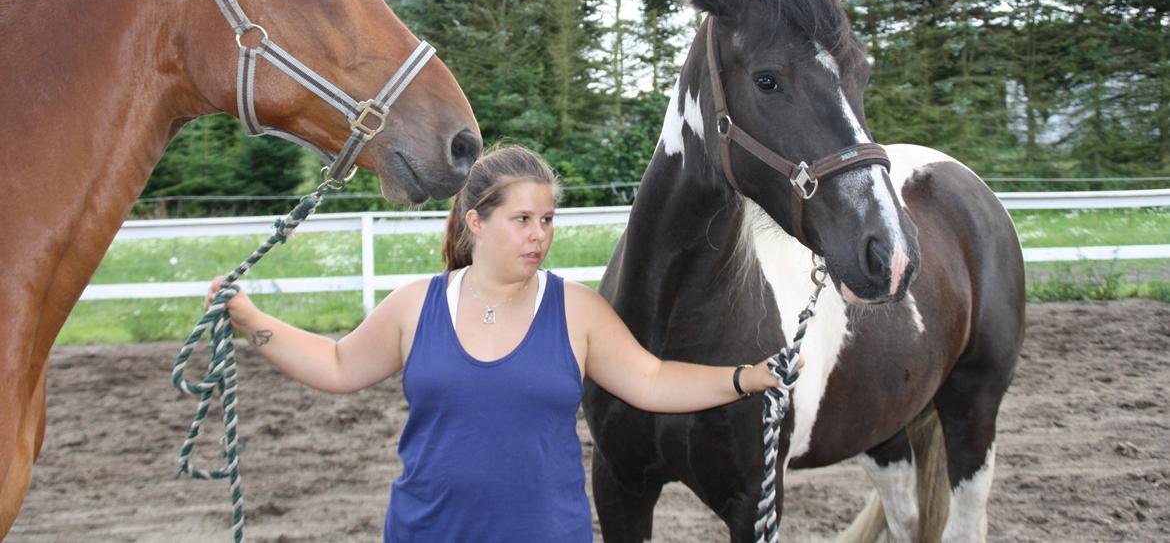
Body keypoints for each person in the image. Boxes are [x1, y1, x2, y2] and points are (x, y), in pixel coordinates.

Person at [206, 144, 780, 542]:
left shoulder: (577, 309)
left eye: (548, 220)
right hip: (426, 532)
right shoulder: (416, 305)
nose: (539, 236)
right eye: (523, 219)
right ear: (476, 222)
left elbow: (651, 379)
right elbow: (336, 364)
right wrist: (250, 319)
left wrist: (743, 378)